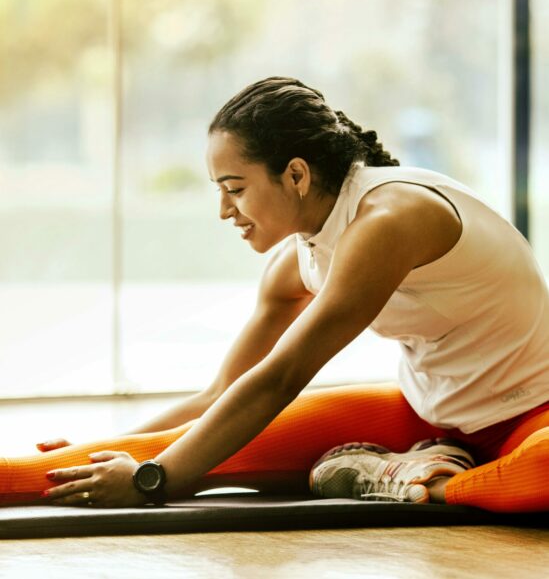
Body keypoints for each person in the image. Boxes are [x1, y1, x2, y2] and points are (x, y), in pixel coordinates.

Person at [2, 76, 548, 511]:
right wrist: (106, 451)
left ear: (296, 175)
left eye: (235, 189)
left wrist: (151, 482)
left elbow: (282, 377)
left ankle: (427, 483)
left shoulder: (390, 219)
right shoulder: (299, 256)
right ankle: (438, 465)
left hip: (535, 414)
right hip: (429, 417)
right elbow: (224, 391)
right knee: (148, 459)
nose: (224, 211)